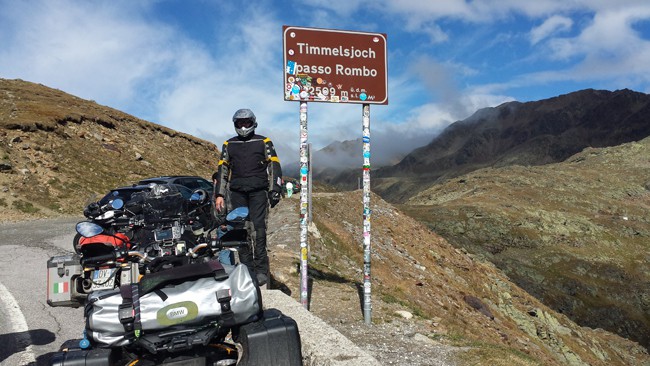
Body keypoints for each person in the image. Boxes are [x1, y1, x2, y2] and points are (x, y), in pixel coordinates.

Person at [214, 108, 283, 286]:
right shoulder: (229, 144)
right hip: (237, 193)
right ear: (235, 124)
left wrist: (275, 188)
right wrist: (219, 194)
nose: (244, 126)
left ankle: (261, 270)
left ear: (253, 123)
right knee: (240, 231)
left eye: (247, 122)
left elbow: (274, 165)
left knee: (258, 230)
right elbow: (223, 170)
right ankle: (246, 269)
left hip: (258, 191)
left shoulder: (264, 141)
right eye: (240, 123)